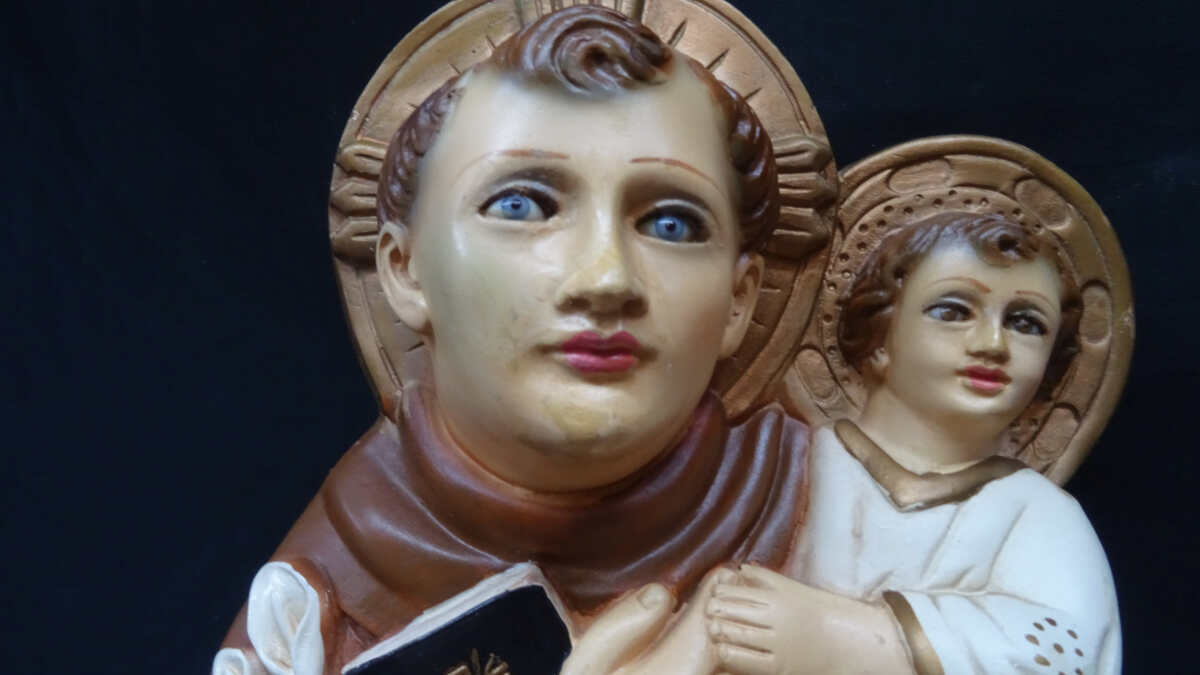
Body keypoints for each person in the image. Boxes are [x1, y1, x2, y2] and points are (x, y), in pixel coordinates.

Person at [212, 6, 824, 675]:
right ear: (406, 270)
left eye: (671, 224)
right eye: (521, 206)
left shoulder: (850, 518)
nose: (606, 279)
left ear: (740, 299)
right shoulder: (304, 611)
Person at [705, 212, 1121, 674]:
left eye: (1026, 323)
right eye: (952, 312)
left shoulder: (1039, 514)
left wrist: (844, 636)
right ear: (879, 336)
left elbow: (1068, 653)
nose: (993, 343)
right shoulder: (777, 461)